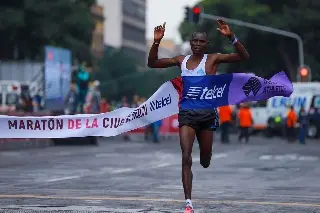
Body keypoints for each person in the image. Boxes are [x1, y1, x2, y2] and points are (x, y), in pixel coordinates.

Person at [147, 20, 249, 213]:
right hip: (187, 113)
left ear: (206, 45)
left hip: (208, 115)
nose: (197, 44)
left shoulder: (212, 60)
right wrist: (156, 42)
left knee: (205, 160)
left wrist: (231, 37)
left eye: (201, 42)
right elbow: (152, 63)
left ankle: (205, 157)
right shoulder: (181, 61)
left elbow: (243, 56)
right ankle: (188, 203)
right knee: (185, 156)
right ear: (190, 42)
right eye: (194, 41)